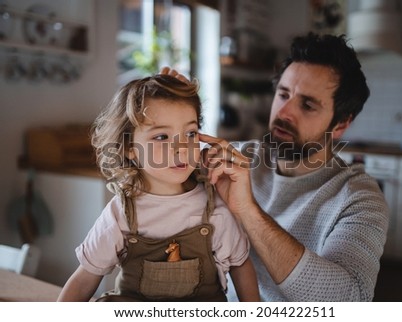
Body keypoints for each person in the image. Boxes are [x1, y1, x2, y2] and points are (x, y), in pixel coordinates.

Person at [166, 32, 389, 302]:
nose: (284, 113)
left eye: (307, 105)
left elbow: (347, 301)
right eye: (283, 94)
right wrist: (169, 113)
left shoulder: (359, 199)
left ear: (341, 124)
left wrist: (248, 211)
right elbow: (160, 180)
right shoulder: (240, 155)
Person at [57, 74, 260, 302]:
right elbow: (85, 279)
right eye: (162, 136)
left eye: (190, 133)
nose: (181, 148)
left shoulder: (215, 208)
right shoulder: (121, 213)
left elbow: (240, 266)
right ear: (128, 147)